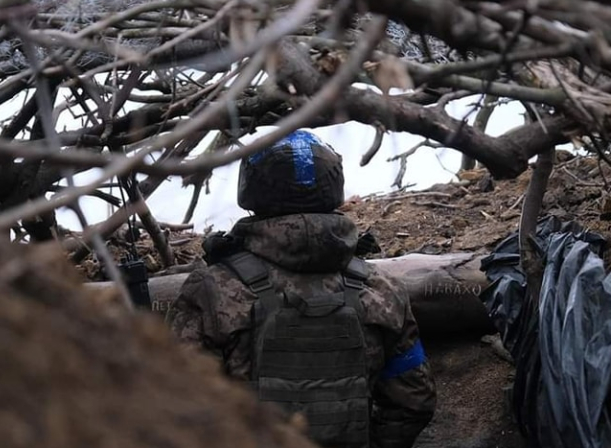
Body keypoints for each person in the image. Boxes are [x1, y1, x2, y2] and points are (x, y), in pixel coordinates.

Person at [165, 130, 436, 448]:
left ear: (252, 188)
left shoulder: (211, 289)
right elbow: (415, 400)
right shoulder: (382, 289)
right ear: (333, 187)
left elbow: (174, 404)